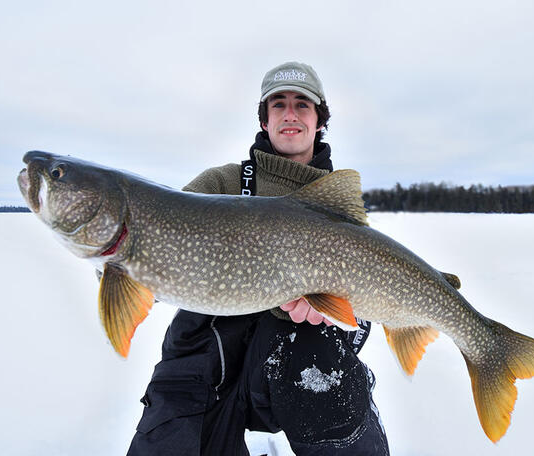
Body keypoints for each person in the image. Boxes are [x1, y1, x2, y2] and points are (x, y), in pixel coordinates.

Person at [127, 62, 389, 455]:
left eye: (303, 104)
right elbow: (161, 241)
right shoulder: (220, 185)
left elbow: (368, 296)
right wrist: (124, 261)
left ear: (319, 121)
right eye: (278, 104)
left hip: (302, 369)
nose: (290, 114)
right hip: (208, 364)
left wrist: (334, 310)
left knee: (325, 369)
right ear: (265, 119)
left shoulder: (334, 202)